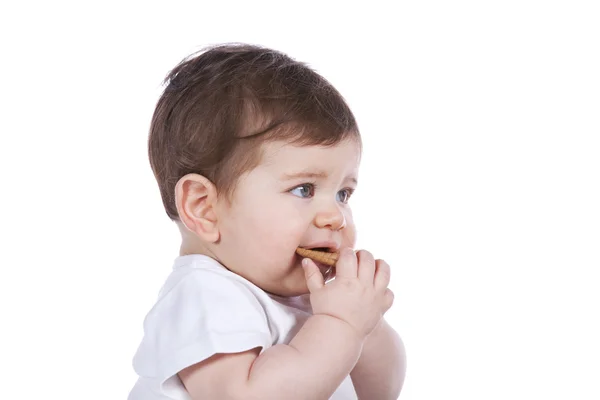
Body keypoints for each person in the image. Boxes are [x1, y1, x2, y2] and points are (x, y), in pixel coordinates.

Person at [129, 43, 406, 400]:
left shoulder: (316, 301)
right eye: (304, 189)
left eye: (343, 194)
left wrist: (366, 324)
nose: (336, 216)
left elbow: (380, 392)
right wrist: (341, 326)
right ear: (204, 208)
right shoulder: (204, 294)